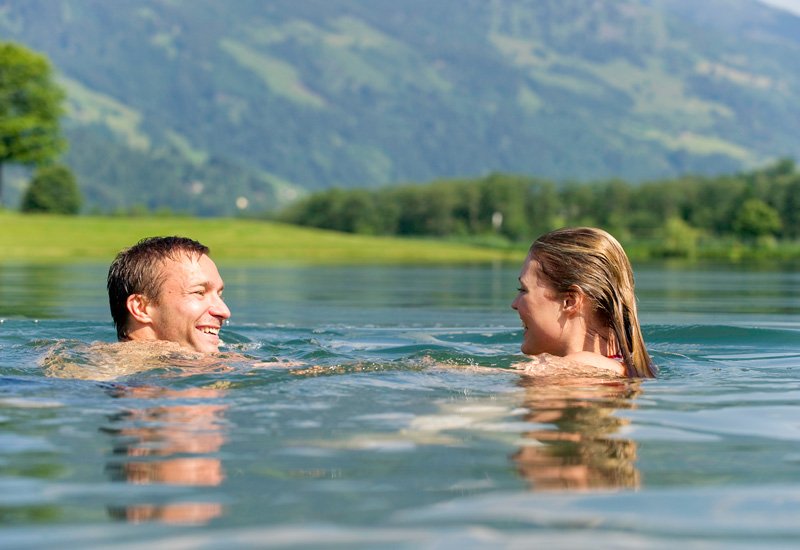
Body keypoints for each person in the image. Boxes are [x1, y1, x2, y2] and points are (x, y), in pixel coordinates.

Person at [511, 227, 655, 378]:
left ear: (569, 301)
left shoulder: (579, 365)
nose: (514, 304)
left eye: (523, 289)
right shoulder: (626, 366)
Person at [107, 236, 231, 354]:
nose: (224, 311)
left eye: (219, 295)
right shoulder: (109, 369)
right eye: (199, 292)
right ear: (141, 308)